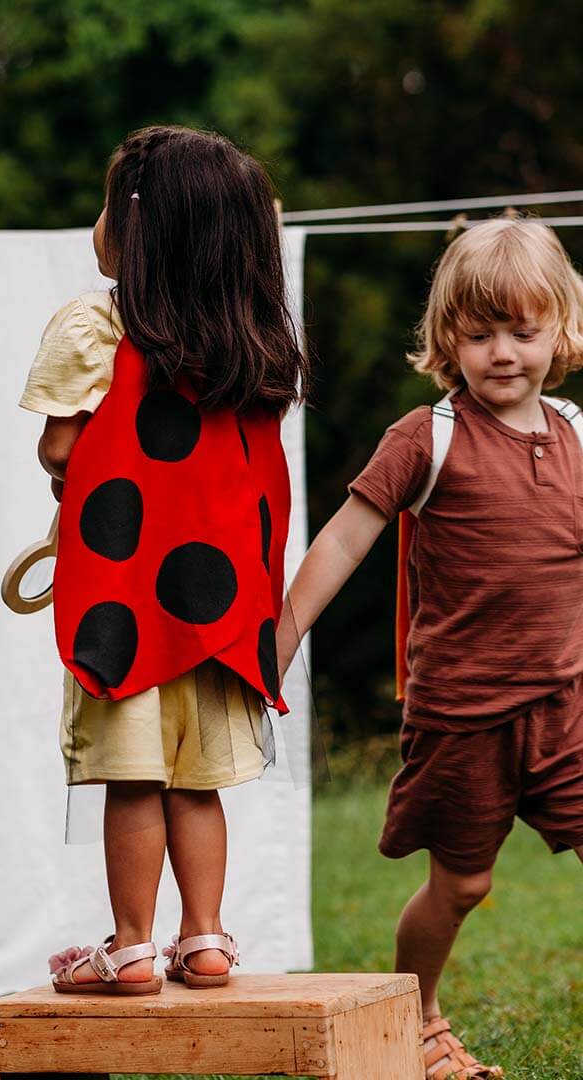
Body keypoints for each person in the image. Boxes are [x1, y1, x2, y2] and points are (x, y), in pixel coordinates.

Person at [276, 217, 583, 1080]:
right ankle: (418, 1017)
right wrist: (286, 629)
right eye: (479, 333)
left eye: (523, 331)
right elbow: (342, 540)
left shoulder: (576, 433)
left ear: (561, 328)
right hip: (463, 716)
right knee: (463, 887)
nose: (502, 352)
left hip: (566, 708)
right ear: (447, 335)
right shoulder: (428, 437)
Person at [20, 125, 308, 994]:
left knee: (135, 778)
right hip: (221, 612)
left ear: (137, 229)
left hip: (124, 600)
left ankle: (134, 944)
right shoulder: (248, 340)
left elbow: (62, 451)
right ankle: (207, 938)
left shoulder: (93, 325)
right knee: (198, 783)